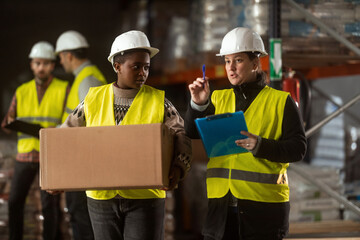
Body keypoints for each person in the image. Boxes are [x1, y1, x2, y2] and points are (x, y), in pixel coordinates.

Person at [59, 30, 191, 240]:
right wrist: (59, 175)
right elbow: (65, 136)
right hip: (101, 198)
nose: (143, 73)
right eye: (136, 67)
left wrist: (178, 167)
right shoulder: (93, 100)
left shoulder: (160, 102)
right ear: (117, 67)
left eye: (146, 67)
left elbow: (180, 135)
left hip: (145, 197)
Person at [184, 27, 307, 240]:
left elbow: (298, 149)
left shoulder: (281, 101)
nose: (231, 68)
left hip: (264, 211)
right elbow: (191, 134)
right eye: (227, 61)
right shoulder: (217, 98)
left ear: (255, 64)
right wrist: (198, 103)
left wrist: (260, 145)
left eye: (238, 60)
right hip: (220, 211)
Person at [1, 41, 69, 240]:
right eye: (38, 63)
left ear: (53, 65)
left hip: (49, 155)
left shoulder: (64, 89)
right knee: (15, 202)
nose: (41, 67)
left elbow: (69, 123)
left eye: (46, 63)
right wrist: (11, 123)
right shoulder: (22, 91)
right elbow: (7, 122)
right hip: (25, 155)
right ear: (32, 64)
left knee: (50, 206)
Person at [55, 30, 107, 240]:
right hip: (78, 159)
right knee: (77, 214)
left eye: (60, 57)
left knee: (81, 215)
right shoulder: (83, 78)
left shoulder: (88, 80)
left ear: (69, 55)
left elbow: (90, 124)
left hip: (84, 161)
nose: (61, 62)